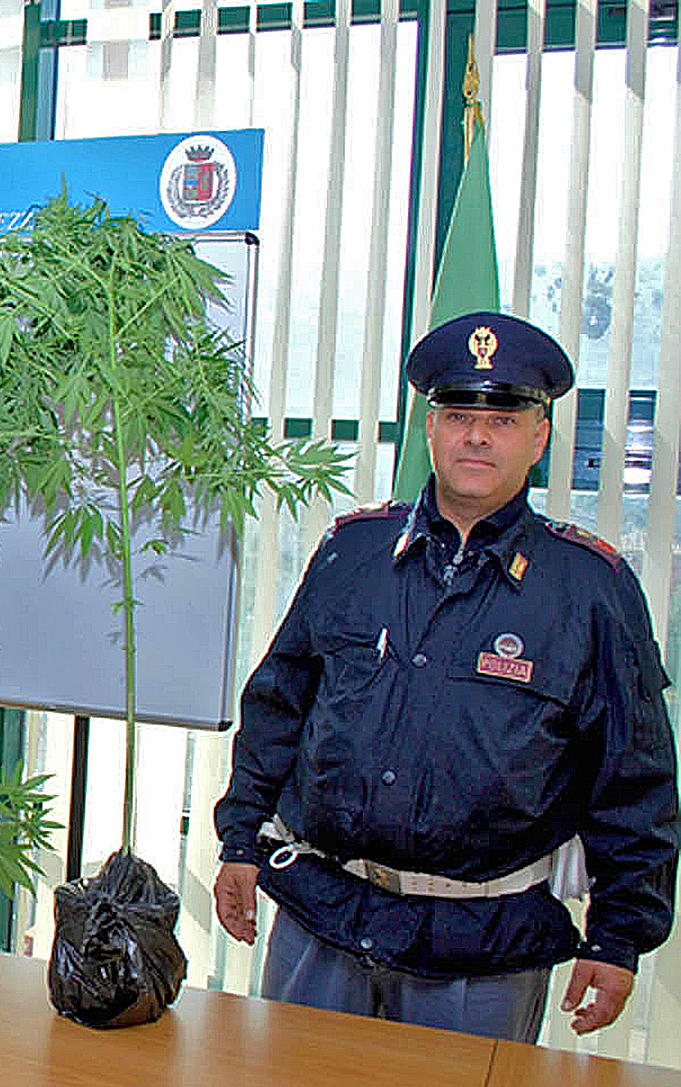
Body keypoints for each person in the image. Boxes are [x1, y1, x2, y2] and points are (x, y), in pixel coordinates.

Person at [213, 310, 679, 1042]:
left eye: (502, 420)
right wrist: (239, 842)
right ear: (430, 430)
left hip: (482, 949)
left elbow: (636, 780)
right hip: (325, 915)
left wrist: (618, 937)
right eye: (458, 414)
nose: (476, 436)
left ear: (540, 437)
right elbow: (278, 708)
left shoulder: (591, 590)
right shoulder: (353, 553)